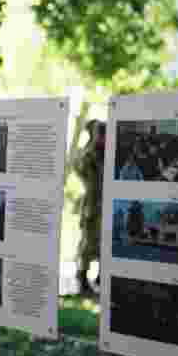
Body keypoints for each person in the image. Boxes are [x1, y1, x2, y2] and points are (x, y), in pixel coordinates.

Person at [76, 120, 106, 295]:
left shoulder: (107, 154)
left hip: (104, 204)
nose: (102, 137)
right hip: (92, 206)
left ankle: (102, 276)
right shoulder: (88, 154)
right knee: (88, 244)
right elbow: (80, 168)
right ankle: (82, 277)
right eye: (99, 133)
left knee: (106, 242)